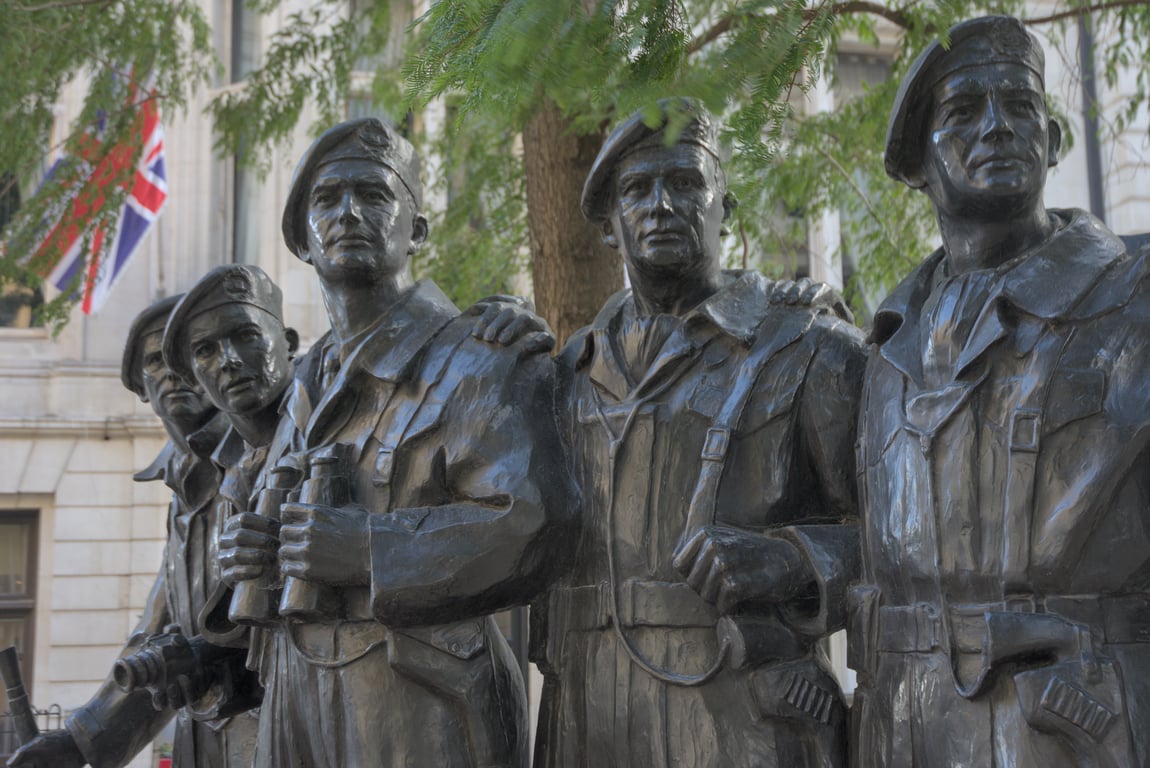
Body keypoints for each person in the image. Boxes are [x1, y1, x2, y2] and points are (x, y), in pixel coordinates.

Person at [218, 117, 574, 767]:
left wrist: (365, 549)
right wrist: (258, 549)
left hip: (424, 701)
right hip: (299, 696)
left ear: (417, 230)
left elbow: (534, 524)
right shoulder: (303, 385)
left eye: (374, 195)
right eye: (326, 200)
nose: (348, 212)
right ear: (302, 240)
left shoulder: (482, 358)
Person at [850, 16, 1150, 767]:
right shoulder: (886, 347)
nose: (996, 127)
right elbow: (856, 542)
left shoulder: (1134, 305)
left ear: (1052, 142)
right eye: (963, 113)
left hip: (1078, 721)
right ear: (919, 163)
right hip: (904, 721)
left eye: (1020, 107)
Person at [531, 100, 865, 768]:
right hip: (590, 709)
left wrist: (796, 560)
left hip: (738, 708)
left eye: (685, 184)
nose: (660, 205)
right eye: (637, 190)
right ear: (607, 228)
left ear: (725, 209)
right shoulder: (565, 372)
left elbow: (900, 537)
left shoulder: (808, 350)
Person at [8, 295, 258, 768]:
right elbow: (157, 635)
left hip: (275, 733)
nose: (172, 372)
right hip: (207, 742)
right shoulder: (184, 485)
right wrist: (76, 743)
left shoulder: (261, 457)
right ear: (140, 387)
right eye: (154, 362)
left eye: (184, 355)